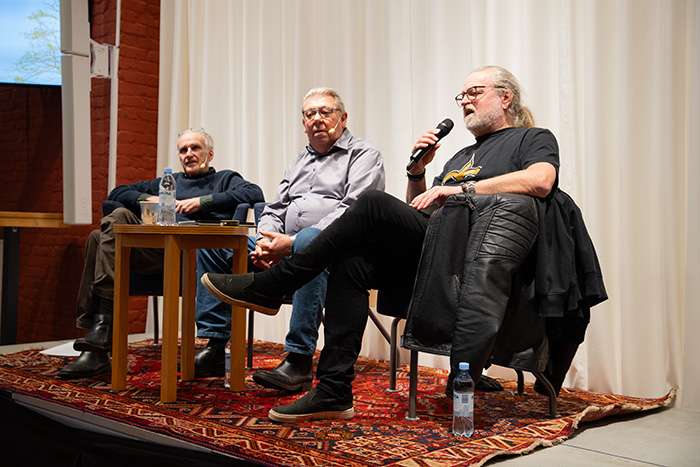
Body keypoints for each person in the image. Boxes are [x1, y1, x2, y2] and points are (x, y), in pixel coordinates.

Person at [201, 66, 560, 422]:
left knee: (371, 202)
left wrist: (458, 189)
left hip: (471, 254)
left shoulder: (532, 139)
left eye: (474, 92)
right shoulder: (460, 155)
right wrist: (417, 173)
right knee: (351, 263)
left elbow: (542, 181)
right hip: (435, 243)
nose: (465, 101)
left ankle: (274, 284)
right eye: (461, 95)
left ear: (505, 97)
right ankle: (333, 391)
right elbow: (421, 206)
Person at [194, 87, 385, 387]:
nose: (317, 119)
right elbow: (276, 206)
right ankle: (216, 345)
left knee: (310, 239)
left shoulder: (364, 154)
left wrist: (292, 244)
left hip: (341, 250)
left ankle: (298, 360)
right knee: (215, 243)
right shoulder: (299, 160)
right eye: (310, 114)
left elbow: (353, 210)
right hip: (286, 247)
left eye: (325, 112)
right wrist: (265, 240)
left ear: (343, 117)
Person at [57, 128, 265, 379]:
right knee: (107, 228)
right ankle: (101, 330)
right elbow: (117, 193)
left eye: (195, 148)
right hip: (158, 255)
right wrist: (151, 198)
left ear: (209, 154)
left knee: (97, 238)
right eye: (183, 150)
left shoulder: (224, 179)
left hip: (195, 259)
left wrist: (202, 202)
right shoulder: (168, 182)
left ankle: (101, 332)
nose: (189, 154)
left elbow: (254, 193)